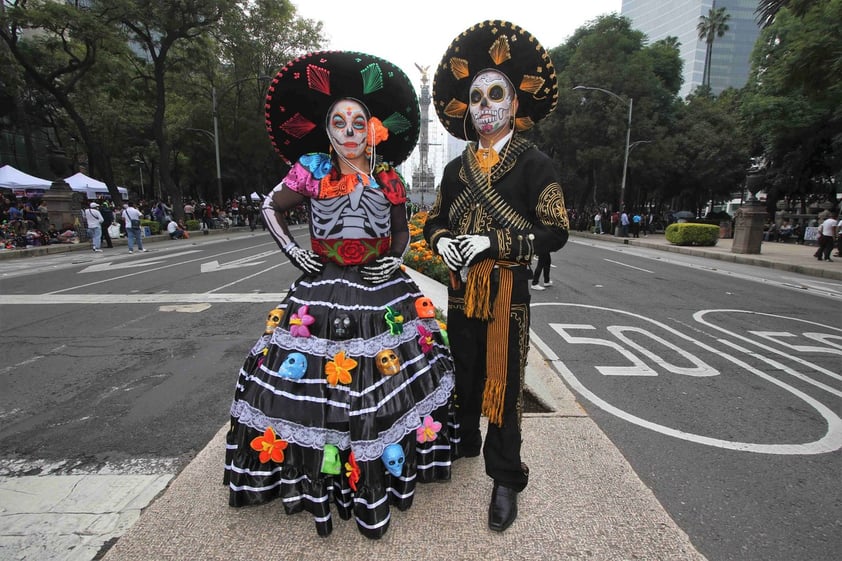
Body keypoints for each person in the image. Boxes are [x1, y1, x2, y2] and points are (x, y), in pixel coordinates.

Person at [223, 50, 456, 540]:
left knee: (388, 371)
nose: (349, 131)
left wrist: (396, 257)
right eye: (339, 122)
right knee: (310, 373)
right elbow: (271, 205)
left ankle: (385, 455)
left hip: (381, 288)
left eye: (358, 122)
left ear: (371, 128)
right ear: (327, 130)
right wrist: (293, 250)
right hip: (323, 283)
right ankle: (318, 470)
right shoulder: (312, 167)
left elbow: (398, 229)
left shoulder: (387, 173)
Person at [424, 20, 569, 533]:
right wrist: (443, 241)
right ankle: (464, 439)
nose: (485, 105)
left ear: (514, 105)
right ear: (467, 106)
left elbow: (556, 230)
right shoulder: (454, 169)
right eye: (477, 96)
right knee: (462, 371)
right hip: (461, 292)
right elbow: (435, 218)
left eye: (496, 95)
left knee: (504, 386)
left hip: (509, 296)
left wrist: (492, 243)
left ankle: (506, 477)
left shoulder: (536, 164)